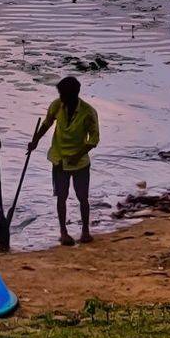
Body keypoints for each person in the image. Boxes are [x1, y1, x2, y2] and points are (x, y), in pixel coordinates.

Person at [30, 75, 100, 245]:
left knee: (82, 197)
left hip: (80, 162)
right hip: (59, 158)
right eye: (60, 94)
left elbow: (94, 139)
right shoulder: (57, 105)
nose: (61, 98)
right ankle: (63, 232)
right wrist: (36, 140)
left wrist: (78, 155)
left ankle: (85, 231)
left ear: (73, 95)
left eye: (63, 95)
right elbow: (47, 123)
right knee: (61, 197)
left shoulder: (88, 112)